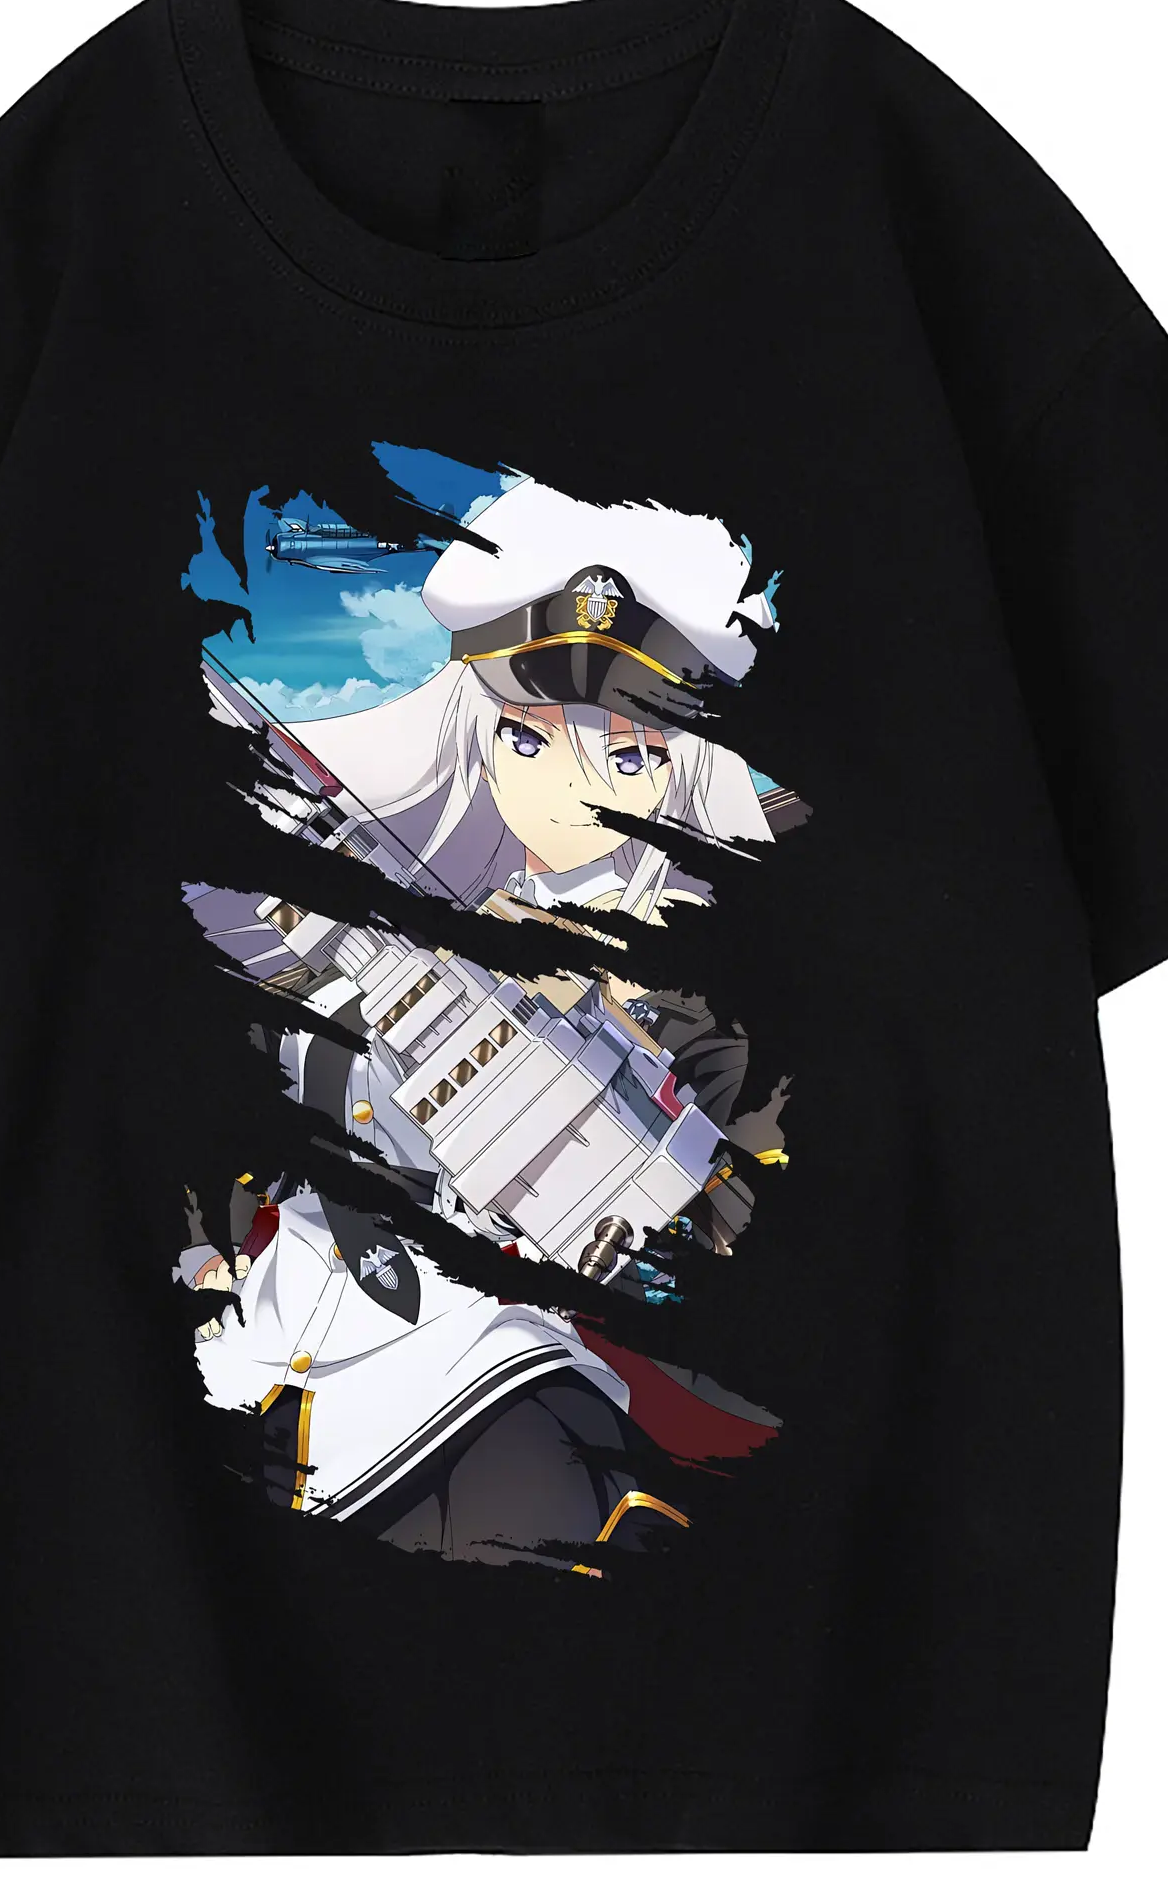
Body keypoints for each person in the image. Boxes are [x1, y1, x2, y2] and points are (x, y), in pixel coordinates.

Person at [179, 479, 789, 1566]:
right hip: (382, 1387)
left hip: (579, 1380)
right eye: (525, 737)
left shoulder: (718, 986)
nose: (566, 787)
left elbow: (754, 1219)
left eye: (630, 752)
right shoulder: (416, 920)